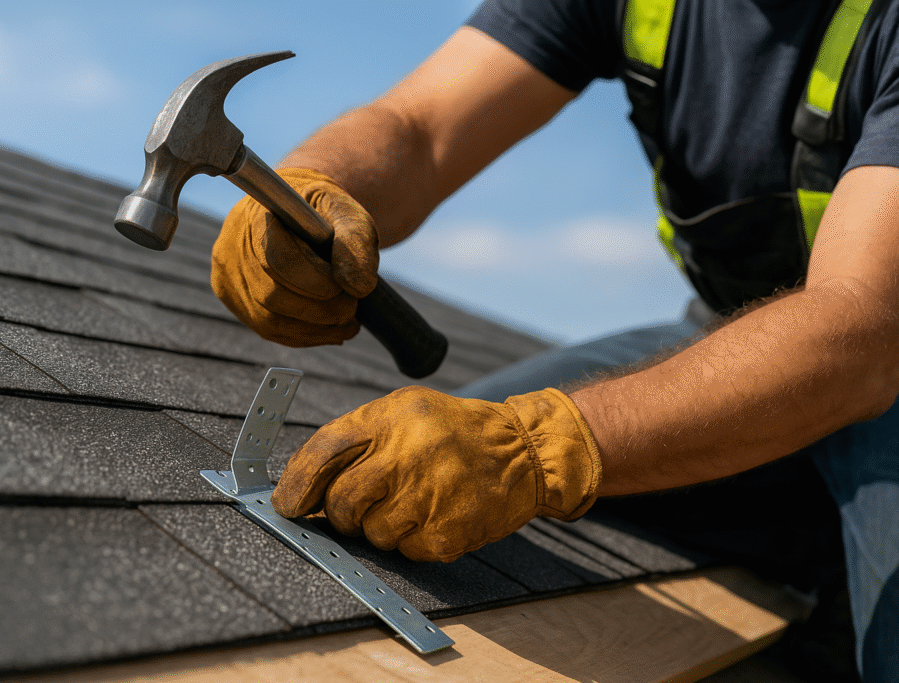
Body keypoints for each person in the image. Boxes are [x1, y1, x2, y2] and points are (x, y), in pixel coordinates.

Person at [210, 1, 899, 679]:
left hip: (875, 348)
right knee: (406, 483)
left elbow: (859, 328)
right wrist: (310, 190)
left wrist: (537, 446)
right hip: (731, 326)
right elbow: (420, 128)